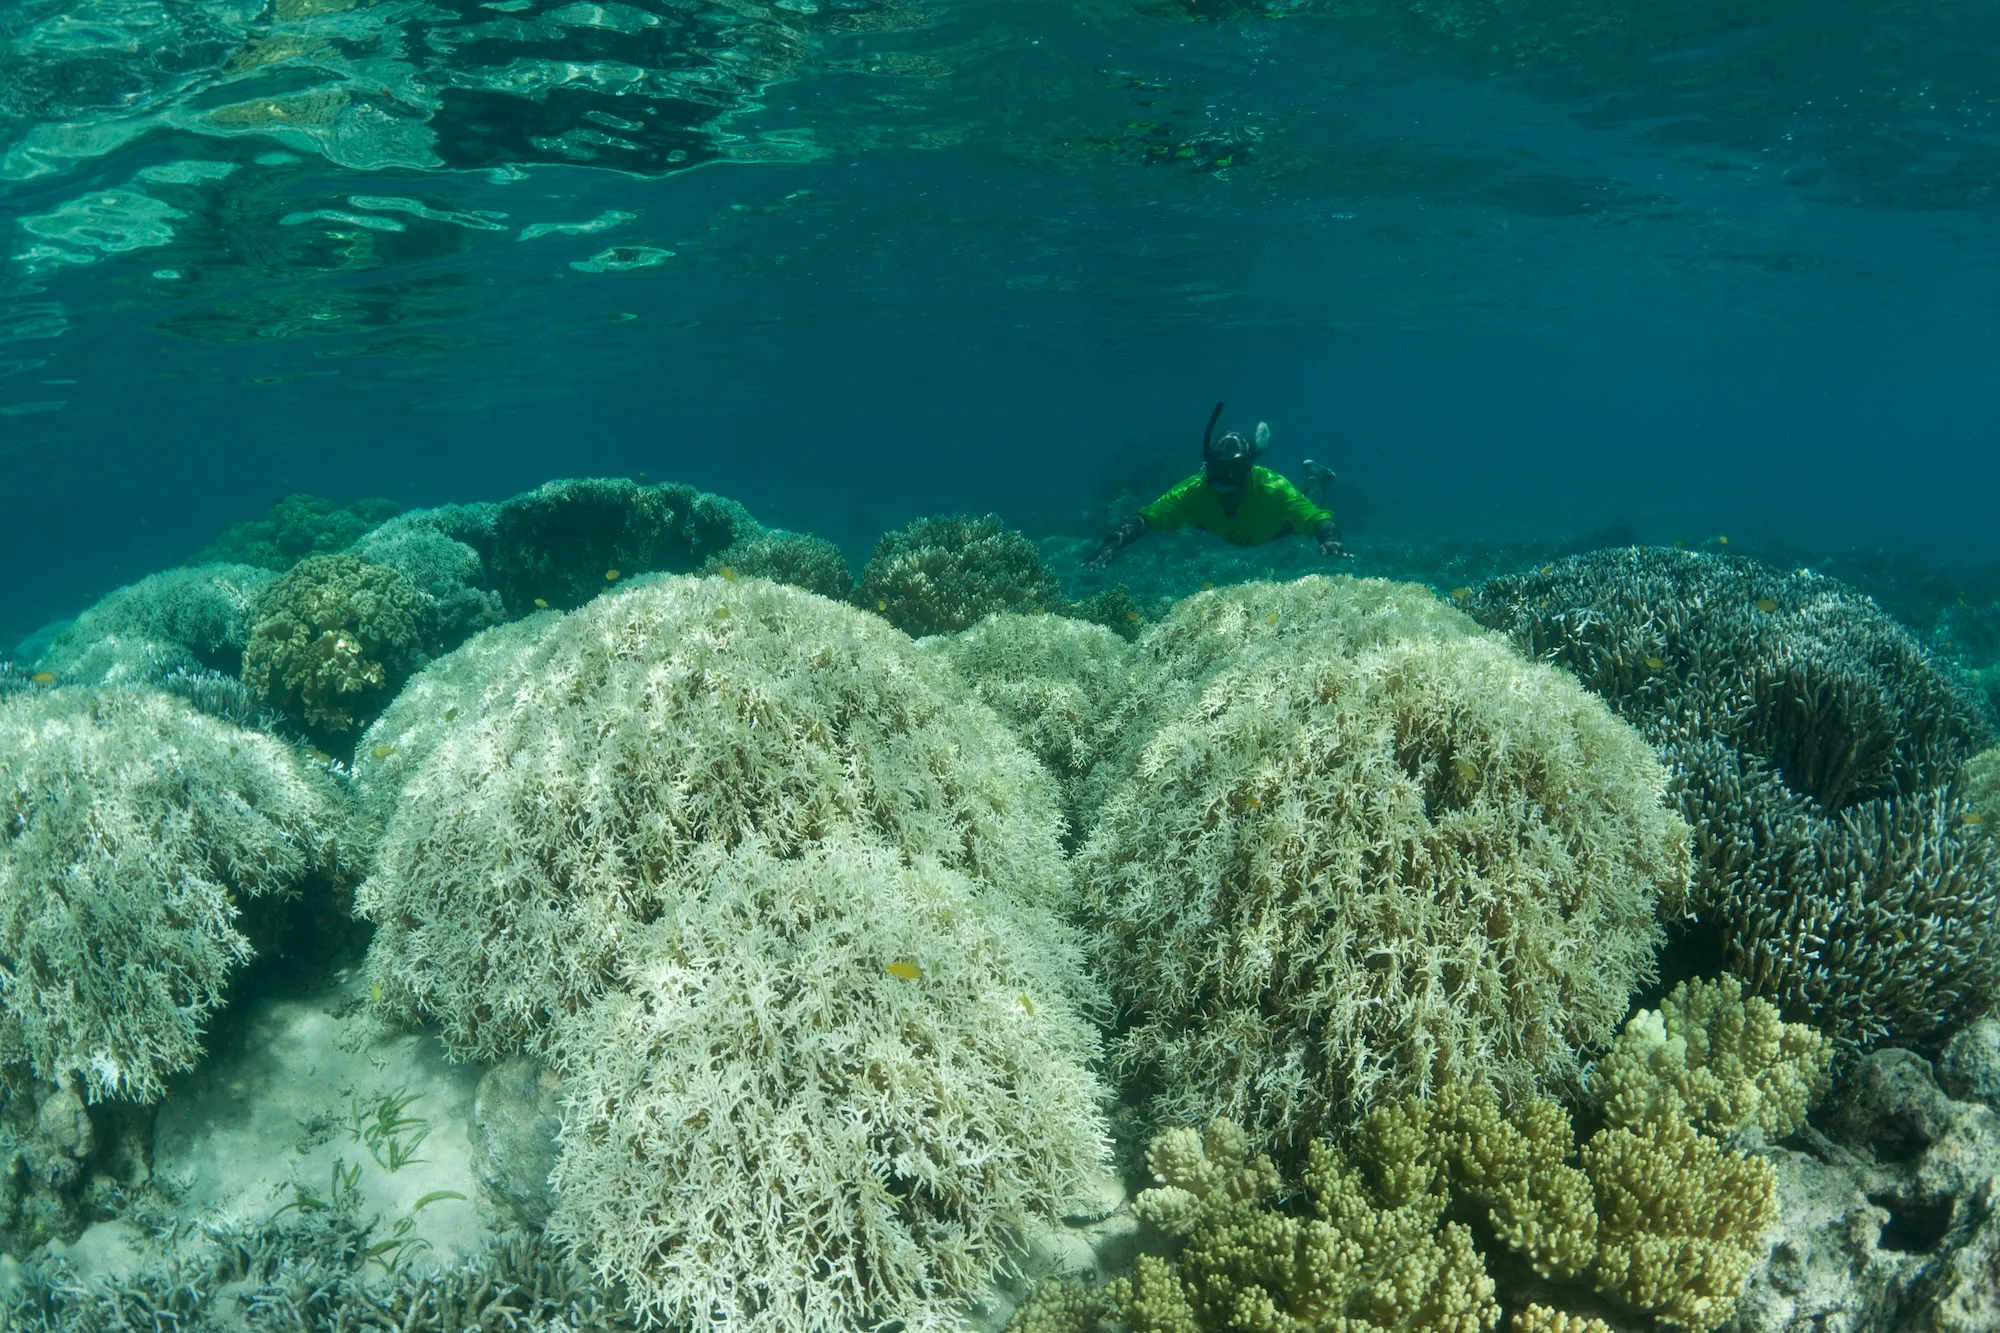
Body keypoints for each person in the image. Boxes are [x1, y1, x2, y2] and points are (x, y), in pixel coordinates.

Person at [1087, 402, 1346, 567]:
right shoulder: (1195, 490)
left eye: (1235, 473)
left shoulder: (1272, 488)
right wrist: (1110, 545)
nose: (1226, 485)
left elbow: (1317, 519)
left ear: (1248, 469)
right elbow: (1145, 519)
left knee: (1309, 505)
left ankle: (1316, 476)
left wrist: (1330, 539)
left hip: (1274, 528)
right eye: (1220, 472)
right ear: (1208, 468)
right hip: (1234, 526)